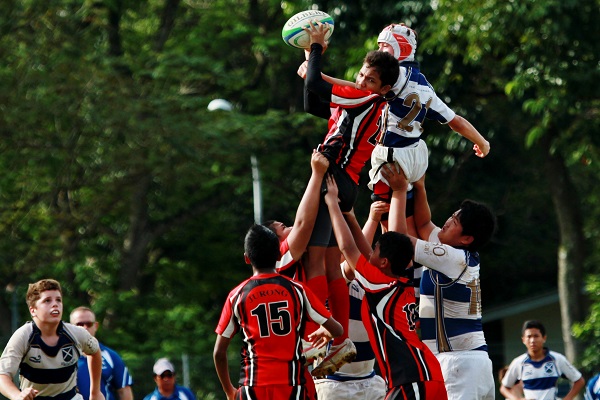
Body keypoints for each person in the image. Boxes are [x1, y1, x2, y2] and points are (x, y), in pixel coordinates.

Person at [299, 21, 400, 376]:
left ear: (383, 88)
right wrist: (311, 54)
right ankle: (338, 338)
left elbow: (314, 83)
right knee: (330, 265)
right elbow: (314, 95)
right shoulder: (368, 101)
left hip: (331, 179)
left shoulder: (363, 99)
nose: (360, 81)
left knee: (313, 261)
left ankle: (316, 339)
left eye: (369, 79)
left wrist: (315, 49)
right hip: (346, 183)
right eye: (360, 74)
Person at [321, 175, 447, 399]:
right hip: (422, 374)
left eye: (377, 249)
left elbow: (348, 248)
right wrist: (351, 217)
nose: (372, 251)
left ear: (384, 262)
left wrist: (332, 204)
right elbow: (365, 253)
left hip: (412, 377)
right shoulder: (398, 281)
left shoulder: (379, 284)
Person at [380, 163, 496, 399]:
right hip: (473, 362)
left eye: (456, 221)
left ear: (466, 238)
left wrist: (400, 191)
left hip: (458, 363)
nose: (448, 220)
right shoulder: (458, 254)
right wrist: (420, 187)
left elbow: (398, 241)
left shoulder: (451, 257)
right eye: (452, 215)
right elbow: (423, 224)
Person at [213, 224, 343, 400]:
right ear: (279, 255)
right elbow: (337, 330)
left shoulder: (236, 296)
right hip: (291, 387)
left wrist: (229, 390)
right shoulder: (297, 290)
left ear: (246, 258)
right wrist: (326, 331)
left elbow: (219, 353)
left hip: (253, 388)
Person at [368, 23, 490, 204]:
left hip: (392, 157)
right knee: (411, 220)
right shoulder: (424, 85)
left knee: (386, 220)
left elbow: (360, 87)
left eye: (384, 46)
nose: (379, 51)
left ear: (401, 47)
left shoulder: (393, 75)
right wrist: (482, 142)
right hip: (415, 158)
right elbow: (455, 121)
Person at [313, 203, 389, 400]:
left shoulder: (361, 281)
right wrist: (370, 220)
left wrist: (373, 219)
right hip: (336, 383)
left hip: (370, 378)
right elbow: (353, 253)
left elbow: (363, 258)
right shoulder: (333, 283)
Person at [0, 279, 105, 400]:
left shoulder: (77, 333)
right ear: (33, 310)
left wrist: (95, 391)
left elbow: (95, 351)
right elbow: (2, 375)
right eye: (47, 300)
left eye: (58, 300)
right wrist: (17, 395)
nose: (55, 304)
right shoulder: (23, 336)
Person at [500, 320, 585, 400]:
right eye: (529, 337)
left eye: (536, 336)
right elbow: (504, 388)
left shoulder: (557, 359)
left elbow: (579, 380)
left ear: (544, 338)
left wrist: (566, 399)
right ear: (523, 340)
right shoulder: (518, 362)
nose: (532, 340)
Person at [69, 307, 134, 400]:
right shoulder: (62, 355)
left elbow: (124, 390)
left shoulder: (111, 356)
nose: (85, 327)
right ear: (70, 327)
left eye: (89, 324)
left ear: (96, 326)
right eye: (79, 324)